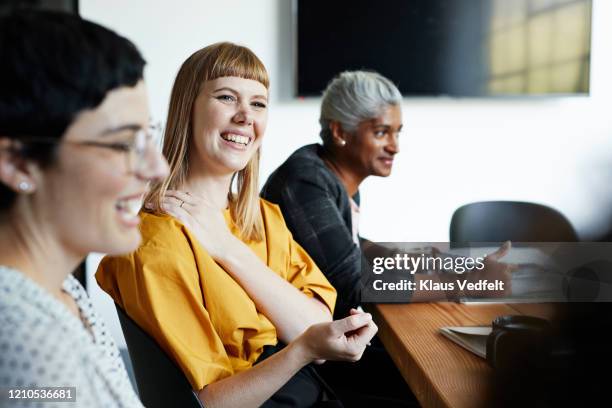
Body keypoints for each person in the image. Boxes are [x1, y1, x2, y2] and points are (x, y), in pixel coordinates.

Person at [96, 42, 377, 408]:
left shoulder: (263, 217)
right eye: (227, 97)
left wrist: (228, 250)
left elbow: (316, 323)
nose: (246, 116)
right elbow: (211, 403)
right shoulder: (156, 244)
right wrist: (303, 348)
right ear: (188, 110)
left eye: (258, 103)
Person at [261, 70, 513, 406]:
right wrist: (466, 282)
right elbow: (357, 282)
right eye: (381, 132)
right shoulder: (305, 181)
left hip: (334, 346)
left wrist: (445, 260)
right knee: (453, 376)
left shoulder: (331, 177)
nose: (394, 146)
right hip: (312, 365)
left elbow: (355, 248)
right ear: (340, 132)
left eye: (397, 133)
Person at [0, 11, 169, 407]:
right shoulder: (21, 334)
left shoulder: (62, 291)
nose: (157, 168)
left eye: (148, 137)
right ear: (19, 162)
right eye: (123, 144)